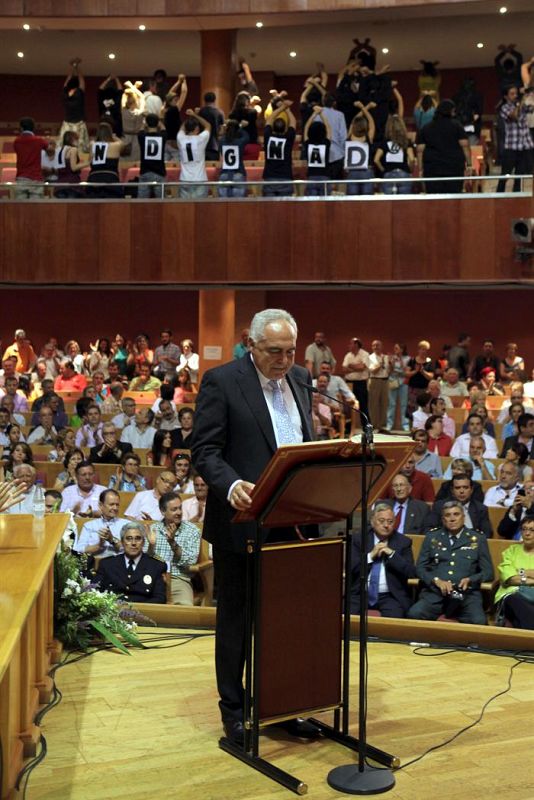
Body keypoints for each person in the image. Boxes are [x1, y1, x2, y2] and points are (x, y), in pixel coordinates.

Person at [191, 308, 317, 746]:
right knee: (237, 621)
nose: (284, 360)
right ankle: (235, 712)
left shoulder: (300, 379)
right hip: (242, 523)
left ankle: (280, 705)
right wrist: (230, 485)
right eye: (274, 352)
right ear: (250, 342)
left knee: (285, 620)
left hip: (293, 523)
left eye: (290, 351)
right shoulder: (223, 381)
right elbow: (204, 451)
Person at [407, 500, 493, 624]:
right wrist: (436, 580)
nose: (452, 519)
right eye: (448, 515)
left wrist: (471, 580)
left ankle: (469, 644)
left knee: (479, 621)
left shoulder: (477, 539)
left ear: (463, 517)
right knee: (414, 614)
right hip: (435, 593)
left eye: (456, 514)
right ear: (443, 519)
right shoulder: (432, 537)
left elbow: (488, 572)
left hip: (466, 595)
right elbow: (420, 568)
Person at [350, 502, 416, 617]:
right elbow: (351, 568)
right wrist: (370, 556)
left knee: (395, 620)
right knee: (347, 619)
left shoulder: (403, 542)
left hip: (390, 595)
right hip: (360, 594)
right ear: (372, 522)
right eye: (381, 521)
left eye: (390, 522)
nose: (386, 525)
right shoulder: (359, 539)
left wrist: (392, 554)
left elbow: (411, 572)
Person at [145, 492, 201, 605]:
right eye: (174, 509)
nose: (179, 512)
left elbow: (191, 560)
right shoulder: (153, 530)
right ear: (162, 511)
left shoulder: (192, 531)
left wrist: (173, 543)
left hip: (179, 579)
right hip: (154, 578)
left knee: (185, 611)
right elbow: (144, 561)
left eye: (180, 508)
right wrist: (151, 546)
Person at [96, 521, 167, 604]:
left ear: (143, 542)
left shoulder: (156, 566)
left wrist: (139, 610)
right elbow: (94, 591)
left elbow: (160, 598)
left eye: (138, 538)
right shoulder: (107, 564)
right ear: (122, 542)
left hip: (142, 614)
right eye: (129, 538)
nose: (133, 543)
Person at [416, 99, 472, 194]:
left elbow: (420, 150)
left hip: (432, 169)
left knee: (434, 199)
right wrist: (469, 165)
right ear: (450, 111)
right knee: (454, 199)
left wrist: (421, 169)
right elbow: (465, 146)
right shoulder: (457, 126)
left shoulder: (426, 128)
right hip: (454, 169)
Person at [495, 517, 534, 629]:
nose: (527, 533)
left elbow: (516, 578)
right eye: (524, 529)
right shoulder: (510, 551)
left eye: (532, 530)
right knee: (516, 601)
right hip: (513, 594)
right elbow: (510, 579)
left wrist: (521, 572)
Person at [429, 473, 492, 538]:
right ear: (452, 490)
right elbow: (429, 529)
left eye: (465, 487)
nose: (461, 491)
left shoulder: (480, 509)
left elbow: (487, 534)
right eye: (457, 488)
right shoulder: (439, 506)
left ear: (471, 490)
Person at [496, 85, 534, 193]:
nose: (515, 96)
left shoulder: (521, 105)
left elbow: (531, 108)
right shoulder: (504, 108)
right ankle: (499, 195)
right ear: (506, 96)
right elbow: (514, 116)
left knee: (520, 175)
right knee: (505, 175)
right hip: (511, 147)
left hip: (524, 146)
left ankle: (517, 196)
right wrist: (520, 101)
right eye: (512, 94)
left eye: (516, 93)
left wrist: (529, 95)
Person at [73, 489, 128, 558]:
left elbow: (130, 549)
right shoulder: (89, 526)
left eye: (117, 505)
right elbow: (78, 549)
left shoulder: (127, 525)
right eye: (111, 504)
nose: (115, 508)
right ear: (101, 505)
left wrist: (112, 540)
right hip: (94, 565)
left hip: (119, 565)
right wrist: (99, 545)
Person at [262, 101, 297, 197]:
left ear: (272, 128)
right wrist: (287, 109)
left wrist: (281, 108)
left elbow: (269, 119)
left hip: (269, 178)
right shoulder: (288, 138)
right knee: (285, 210)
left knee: (269, 209)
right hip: (285, 177)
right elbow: (293, 122)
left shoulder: (268, 136)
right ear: (285, 128)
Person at [177, 109, 211, 199]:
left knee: (185, 209)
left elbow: (182, 128)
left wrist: (189, 118)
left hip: (184, 179)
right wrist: (195, 115)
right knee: (200, 209)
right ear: (196, 129)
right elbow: (208, 126)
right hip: (200, 179)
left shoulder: (180, 139)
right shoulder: (201, 139)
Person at [13, 118, 51, 199]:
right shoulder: (39, 140)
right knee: (35, 208)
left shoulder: (17, 141)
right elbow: (50, 150)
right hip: (36, 178)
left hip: (21, 178)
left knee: (20, 209)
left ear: (21, 128)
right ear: (33, 128)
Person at [59, 58, 89, 153]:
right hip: (69, 122)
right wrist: (75, 67)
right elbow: (69, 82)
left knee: (79, 146)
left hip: (77, 122)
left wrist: (75, 67)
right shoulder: (68, 93)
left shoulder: (78, 92)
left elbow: (79, 81)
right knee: (64, 145)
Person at [137, 113, 167, 199]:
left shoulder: (141, 136)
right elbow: (163, 128)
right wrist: (159, 123)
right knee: (162, 202)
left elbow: (141, 129)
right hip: (159, 173)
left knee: (142, 203)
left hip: (145, 172)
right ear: (158, 123)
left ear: (146, 123)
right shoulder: (163, 136)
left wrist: (144, 124)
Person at [341, 337, 371, 422]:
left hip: (361, 383)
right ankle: (349, 426)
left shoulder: (365, 354)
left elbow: (362, 367)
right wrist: (356, 367)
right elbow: (344, 369)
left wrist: (350, 366)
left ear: (356, 345)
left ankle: (366, 425)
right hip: (349, 383)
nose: (349, 345)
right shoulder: (348, 355)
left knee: (363, 405)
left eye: (351, 344)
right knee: (348, 405)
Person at [386, 343, 409, 431]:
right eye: (394, 348)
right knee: (391, 404)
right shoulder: (392, 358)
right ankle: (389, 424)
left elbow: (406, 371)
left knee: (404, 404)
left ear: (402, 349)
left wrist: (400, 360)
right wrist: (391, 363)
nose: (395, 350)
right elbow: (389, 371)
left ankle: (405, 425)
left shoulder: (407, 358)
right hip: (393, 382)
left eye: (397, 348)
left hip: (403, 383)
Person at [198, 92, 225, 162]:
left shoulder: (200, 112)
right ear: (215, 100)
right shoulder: (220, 112)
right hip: (214, 146)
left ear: (204, 100)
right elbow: (221, 131)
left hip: (202, 145)